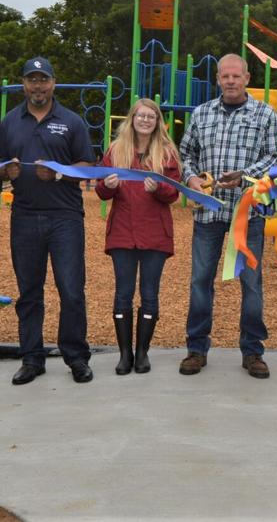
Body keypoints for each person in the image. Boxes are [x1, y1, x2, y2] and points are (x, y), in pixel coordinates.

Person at [0, 57, 96, 385]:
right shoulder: (10, 122)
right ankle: (32, 357)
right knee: (29, 292)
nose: (37, 86)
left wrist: (58, 173)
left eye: (43, 80)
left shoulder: (71, 121)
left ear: (53, 82)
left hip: (65, 217)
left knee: (71, 290)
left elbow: (87, 167)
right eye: (31, 80)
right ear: (23, 84)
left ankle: (76, 357)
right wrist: (4, 171)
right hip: (24, 215)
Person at [178, 53, 277, 378]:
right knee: (200, 281)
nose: (231, 81)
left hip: (247, 214)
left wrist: (245, 175)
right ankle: (196, 349)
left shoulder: (265, 114)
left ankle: (253, 352)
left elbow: (275, 156)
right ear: (218, 79)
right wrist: (192, 178)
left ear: (247, 78)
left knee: (251, 283)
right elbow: (185, 154)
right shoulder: (201, 113)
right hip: (208, 213)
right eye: (225, 76)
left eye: (236, 76)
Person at [95, 98, 181, 375]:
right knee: (123, 293)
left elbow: (175, 193)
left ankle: (143, 352)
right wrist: (107, 186)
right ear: (131, 119)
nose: (145, 120)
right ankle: (124, 354)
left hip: (155, 233)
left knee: (149, 294)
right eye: (141, 116)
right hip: (122, 232)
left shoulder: (166, 153)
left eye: (151, 117)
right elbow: (101, 191)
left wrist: (158, 189)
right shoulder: (115, 150)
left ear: (157, 123)